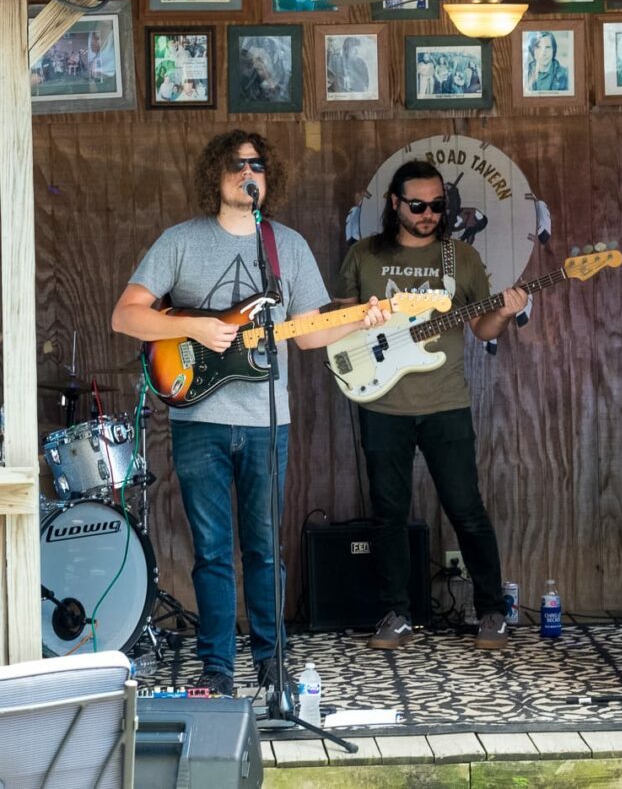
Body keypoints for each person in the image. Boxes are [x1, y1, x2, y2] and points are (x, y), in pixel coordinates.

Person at [111, 130, 384, 695]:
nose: (246, 173)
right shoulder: (181, 241)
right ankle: (216, 667)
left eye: (256, 165)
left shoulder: (286, 245)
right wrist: (192, 325)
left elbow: (309, 335)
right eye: (236, 165)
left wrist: (363, 317)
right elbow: (127, 316)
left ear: (268, 178)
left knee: (264, 550)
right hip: (197, 423)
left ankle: (271, 662)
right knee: (211, 553)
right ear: (216, 174)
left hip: (267, 423)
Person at [334, 160, 527, 651]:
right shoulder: (365, 254)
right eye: (417, 205)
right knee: (388, 514)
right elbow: (335, 323)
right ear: (394, 204)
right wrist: (361, 317)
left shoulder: (458, 258)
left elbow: (482, 328)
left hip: (446, 402)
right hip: (380, 399)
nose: (427, 214)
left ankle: (491, 612)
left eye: (437, 206)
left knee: (467, 508)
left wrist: (503, 313)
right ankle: (395, 614)